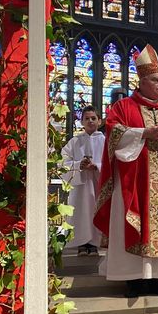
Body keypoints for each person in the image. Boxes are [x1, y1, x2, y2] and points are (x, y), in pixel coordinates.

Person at [94, 44, 158, 298]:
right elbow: (113, 132)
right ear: (143, 81)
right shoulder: (123, 107)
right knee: (135, 224)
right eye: (157, 81)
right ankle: (133, 279)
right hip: (134, 182)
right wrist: (143, 133)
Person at [61, 105, 105, 256]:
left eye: (94, 118)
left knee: (95, 211)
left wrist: (97, 167)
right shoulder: (74, 142)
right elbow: (63, 162)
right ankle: (82, 243)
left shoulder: (105, 141)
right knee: (81, 212)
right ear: (81, 121)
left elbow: (112, 163)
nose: (90, 121)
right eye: (87, 118)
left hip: (98, 184)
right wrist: (78, 165)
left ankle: (94, 243)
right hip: (80, 186)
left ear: (99, 121)